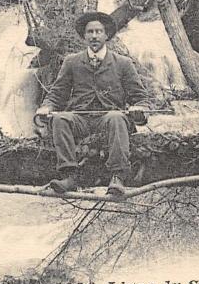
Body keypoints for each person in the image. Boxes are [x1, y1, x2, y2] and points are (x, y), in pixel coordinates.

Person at [36, 12, 151, 195]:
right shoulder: (72, 61)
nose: (94, 36)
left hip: (110, 118)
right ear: (84, 36)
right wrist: (46, 107)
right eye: (90, 32)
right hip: (81, 118)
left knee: (115, 117)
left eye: (99, 31)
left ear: (107, 35)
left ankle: (118, 177)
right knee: (61, 119)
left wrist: (139, 109)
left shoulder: (123, 63)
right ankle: (69, 176)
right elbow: (57, 94)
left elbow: (140, 97)